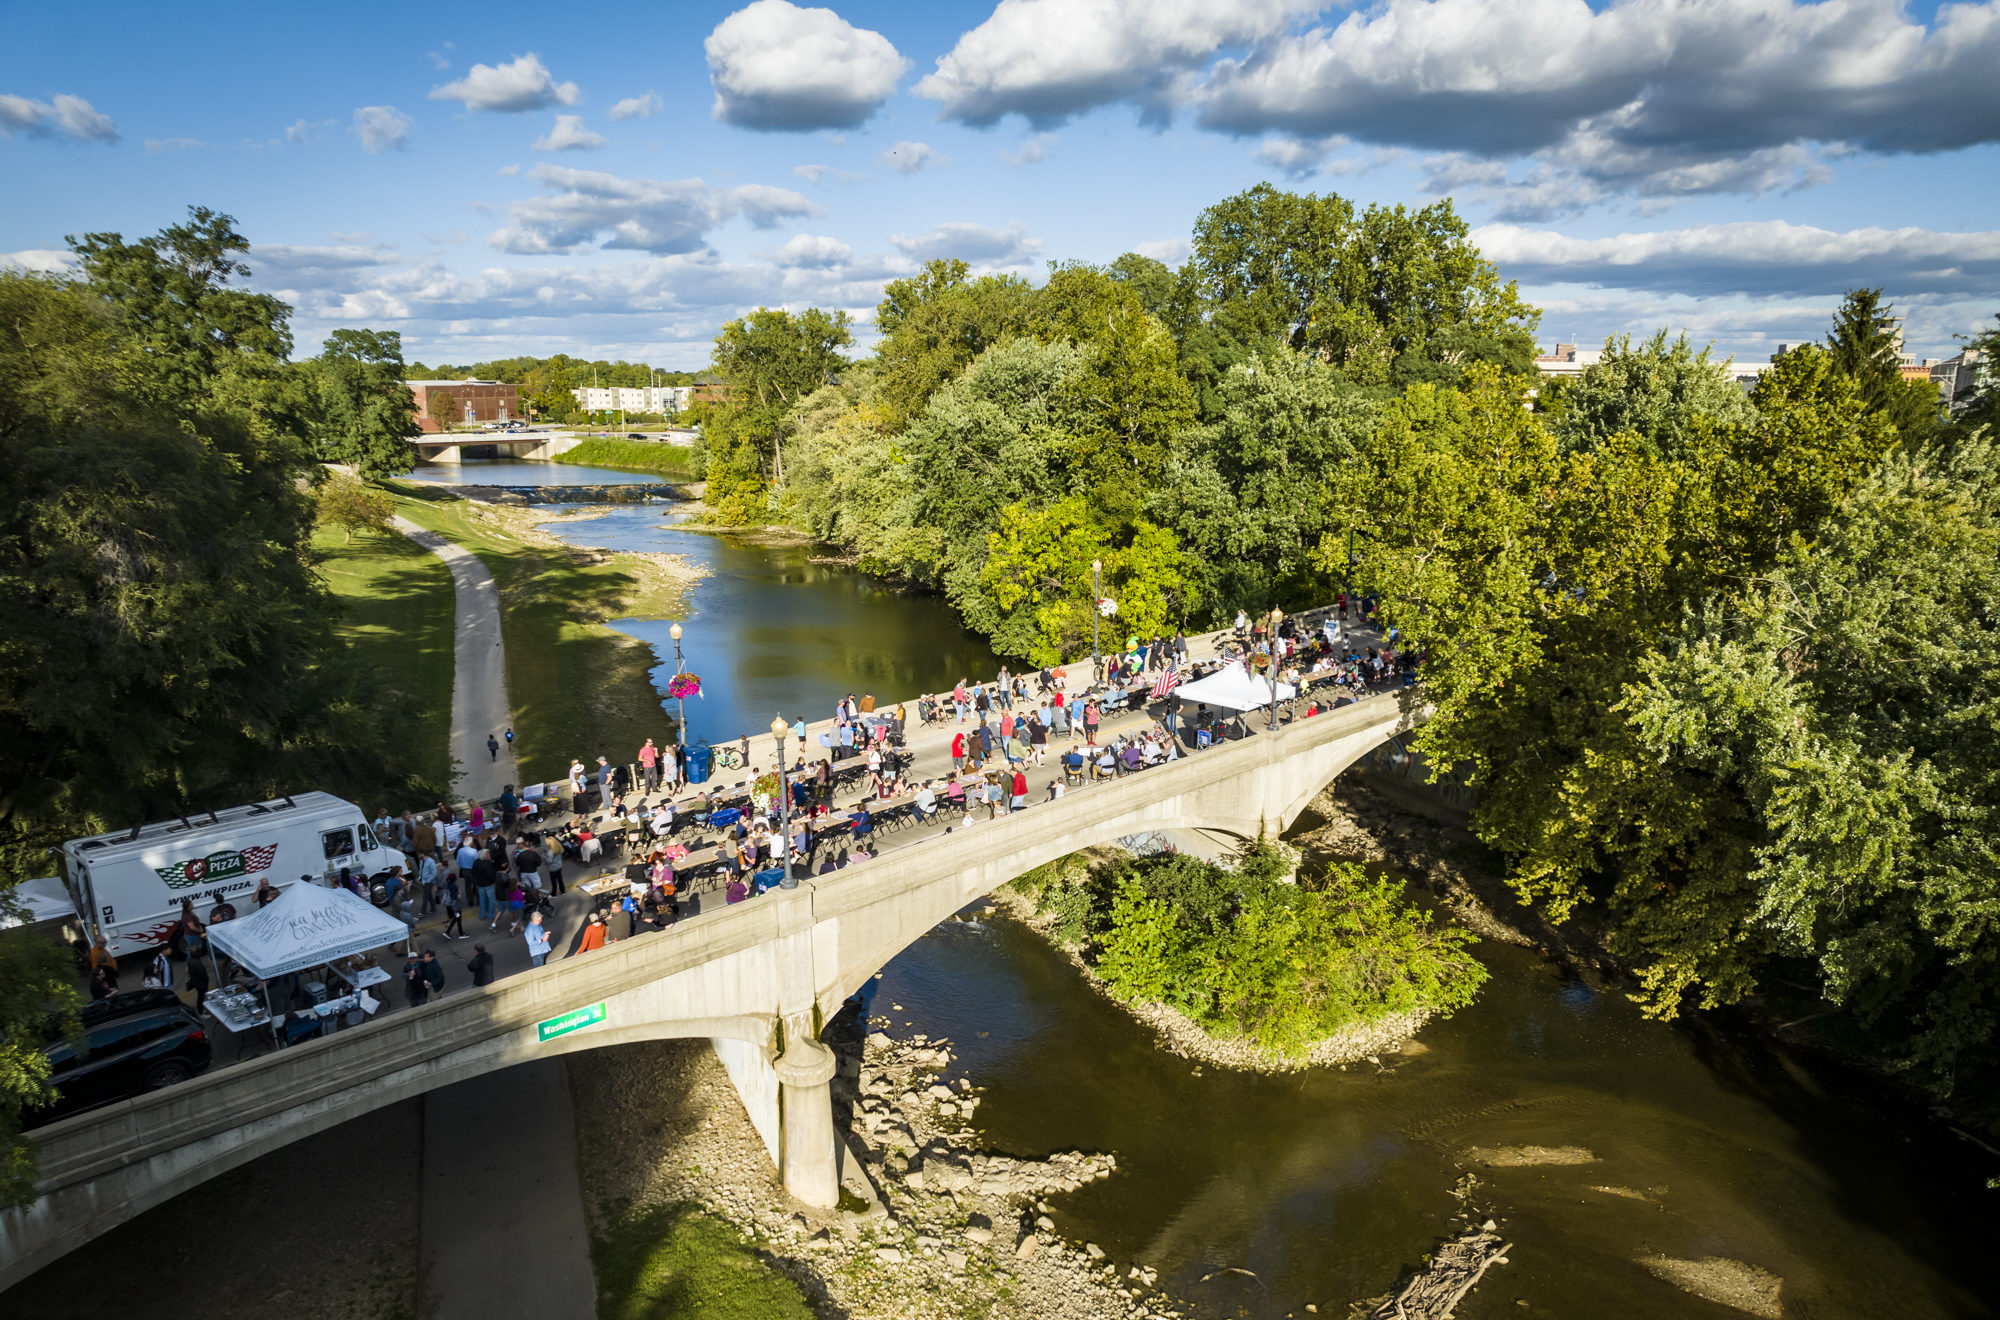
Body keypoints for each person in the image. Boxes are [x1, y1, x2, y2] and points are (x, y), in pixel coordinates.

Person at [442, 874, 466, 940]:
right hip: (455, 907)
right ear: (455, 879)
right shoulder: (454, 887)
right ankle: (459, 934)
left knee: (457, 918)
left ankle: (453, 932)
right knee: (458, 918)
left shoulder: (448, 885)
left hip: (449, 906)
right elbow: (455, 898)